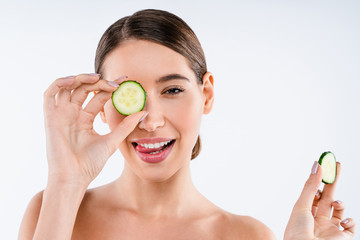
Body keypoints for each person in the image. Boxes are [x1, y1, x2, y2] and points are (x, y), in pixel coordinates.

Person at [18, 9, 355, 239]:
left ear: (206, 94)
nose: (150, 120)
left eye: (173, 90)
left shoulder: (246, 236)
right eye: (127, 94)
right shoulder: (50, 211)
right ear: (103, 104)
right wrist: (65, 184)